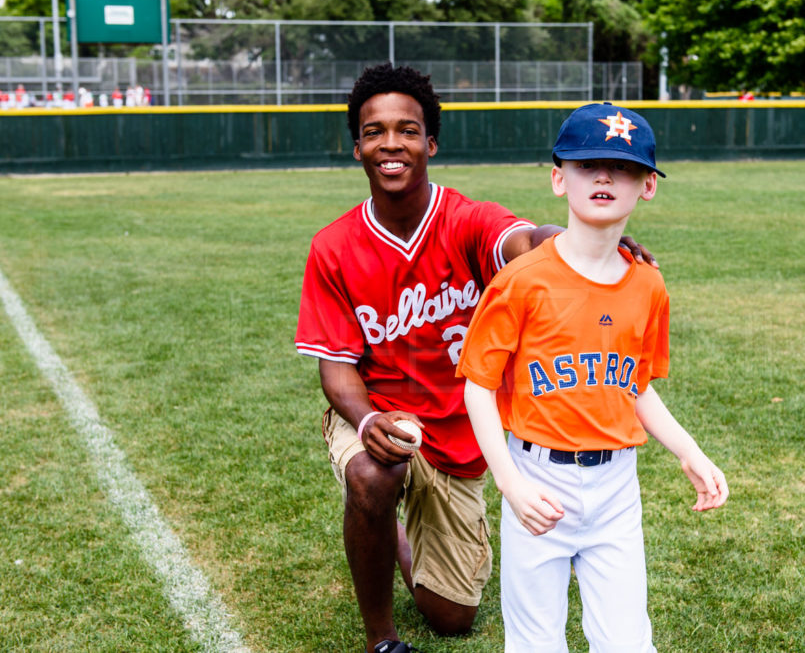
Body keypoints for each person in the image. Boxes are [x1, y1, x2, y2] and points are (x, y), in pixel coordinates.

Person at [294, 65, 654, 653]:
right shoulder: (333, 245)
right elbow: (335, 366)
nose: (391, 144)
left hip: (459, 433)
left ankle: (398, 535)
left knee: (451, 617)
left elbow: (526, 240)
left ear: (430, 144)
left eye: (408, 131)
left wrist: (585, 241)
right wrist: (364, 422)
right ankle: (380, 637)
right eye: (375, 131)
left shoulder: (464, 219)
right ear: (356, 144)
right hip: (379, 414)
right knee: (371, 474)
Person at [457, 102, 729, 652]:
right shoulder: (522, 280)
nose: (603, 176)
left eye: (622, 166)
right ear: (560, 179)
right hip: (538, 476)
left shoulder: (648, 285)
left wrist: (689, 450)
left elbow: (636, 387)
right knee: (536, 643)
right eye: (586, 164)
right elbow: (478, 386)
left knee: (628, 642)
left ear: (647, 185)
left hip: (616, 488)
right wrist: (510, 482)